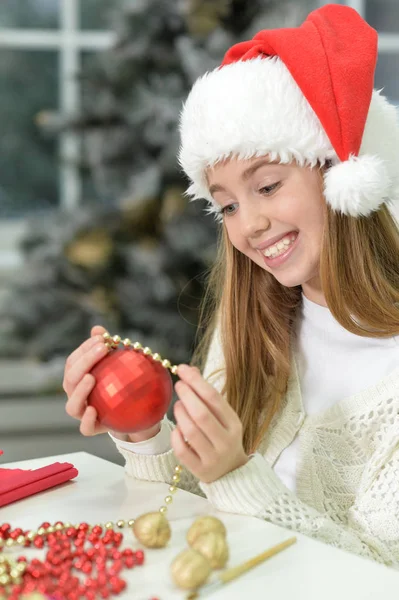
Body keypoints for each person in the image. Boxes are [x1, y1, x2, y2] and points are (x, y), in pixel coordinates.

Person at [63, 4, 399, 568]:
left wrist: (237, 475)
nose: (249, 224)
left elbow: (379, 573)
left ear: (343, 173)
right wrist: (146, 435)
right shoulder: (255, 323)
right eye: (227, 206)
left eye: (267, 184)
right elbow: (201, 512)